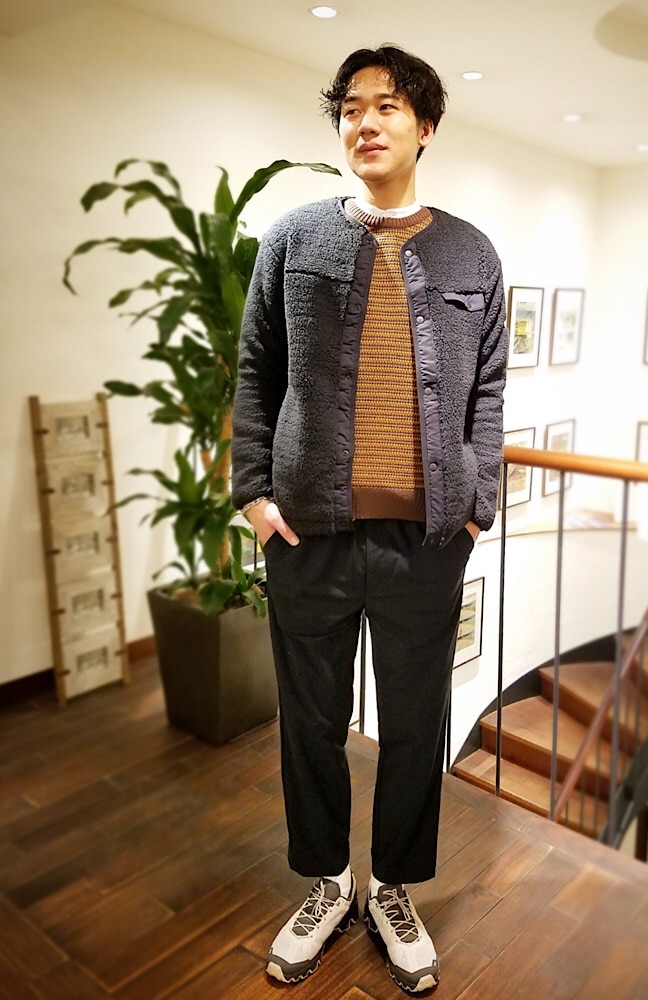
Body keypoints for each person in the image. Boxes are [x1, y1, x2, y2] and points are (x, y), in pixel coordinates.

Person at [232, 44, 508, 994]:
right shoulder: (292, 238)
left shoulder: (473, 252)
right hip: (309, 533)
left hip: (426, 542)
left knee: (414, 723)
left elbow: (488, 390)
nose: (366, 122)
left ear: (424, 126)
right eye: (351, 108)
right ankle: (327, 882)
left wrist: (477, 503)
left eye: (388, 106)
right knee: (310, 723)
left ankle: (391, 888)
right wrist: (255, 496)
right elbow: (256, 371)